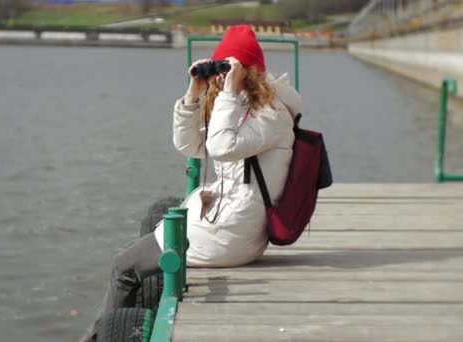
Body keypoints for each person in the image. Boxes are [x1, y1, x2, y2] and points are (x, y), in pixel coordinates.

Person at [80, 25, 301, 342]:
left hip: (232, 234)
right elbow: (192, 146)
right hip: (230, 224)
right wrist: (193, 93)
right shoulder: (245, 109)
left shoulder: (270, 116)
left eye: (228, 69)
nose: (221, 77)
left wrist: (227, 95)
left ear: (247, 73)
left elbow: (221, 147)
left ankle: (93, 339)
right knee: (128, 262)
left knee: (124, 266)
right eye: (219, 69)